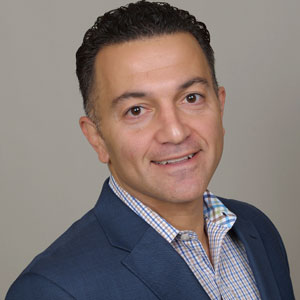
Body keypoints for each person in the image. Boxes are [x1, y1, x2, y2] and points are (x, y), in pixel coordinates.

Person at [6, 1, 295, 299]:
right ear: (97, 138)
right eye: (136, 110)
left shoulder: (256, 230)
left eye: (191, 97)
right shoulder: (52, 289)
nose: (175, 131)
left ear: (220, 107)